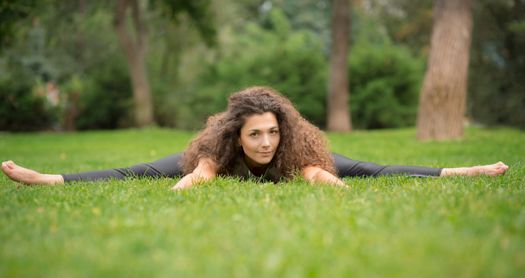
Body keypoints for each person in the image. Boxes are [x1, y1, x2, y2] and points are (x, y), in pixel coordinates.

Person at [1, 87, 509, 190]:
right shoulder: (217, 150)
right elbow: (196, 174)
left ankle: (468, 169)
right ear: (237, 137)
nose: (265, 143)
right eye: (255, 135)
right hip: (208, 159)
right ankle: (47, 176)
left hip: (310, 161)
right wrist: (200, 174)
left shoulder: (298, 151)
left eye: (271, 132)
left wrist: (321, 177)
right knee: (138, 170)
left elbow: (321, 173)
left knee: (373, 170)